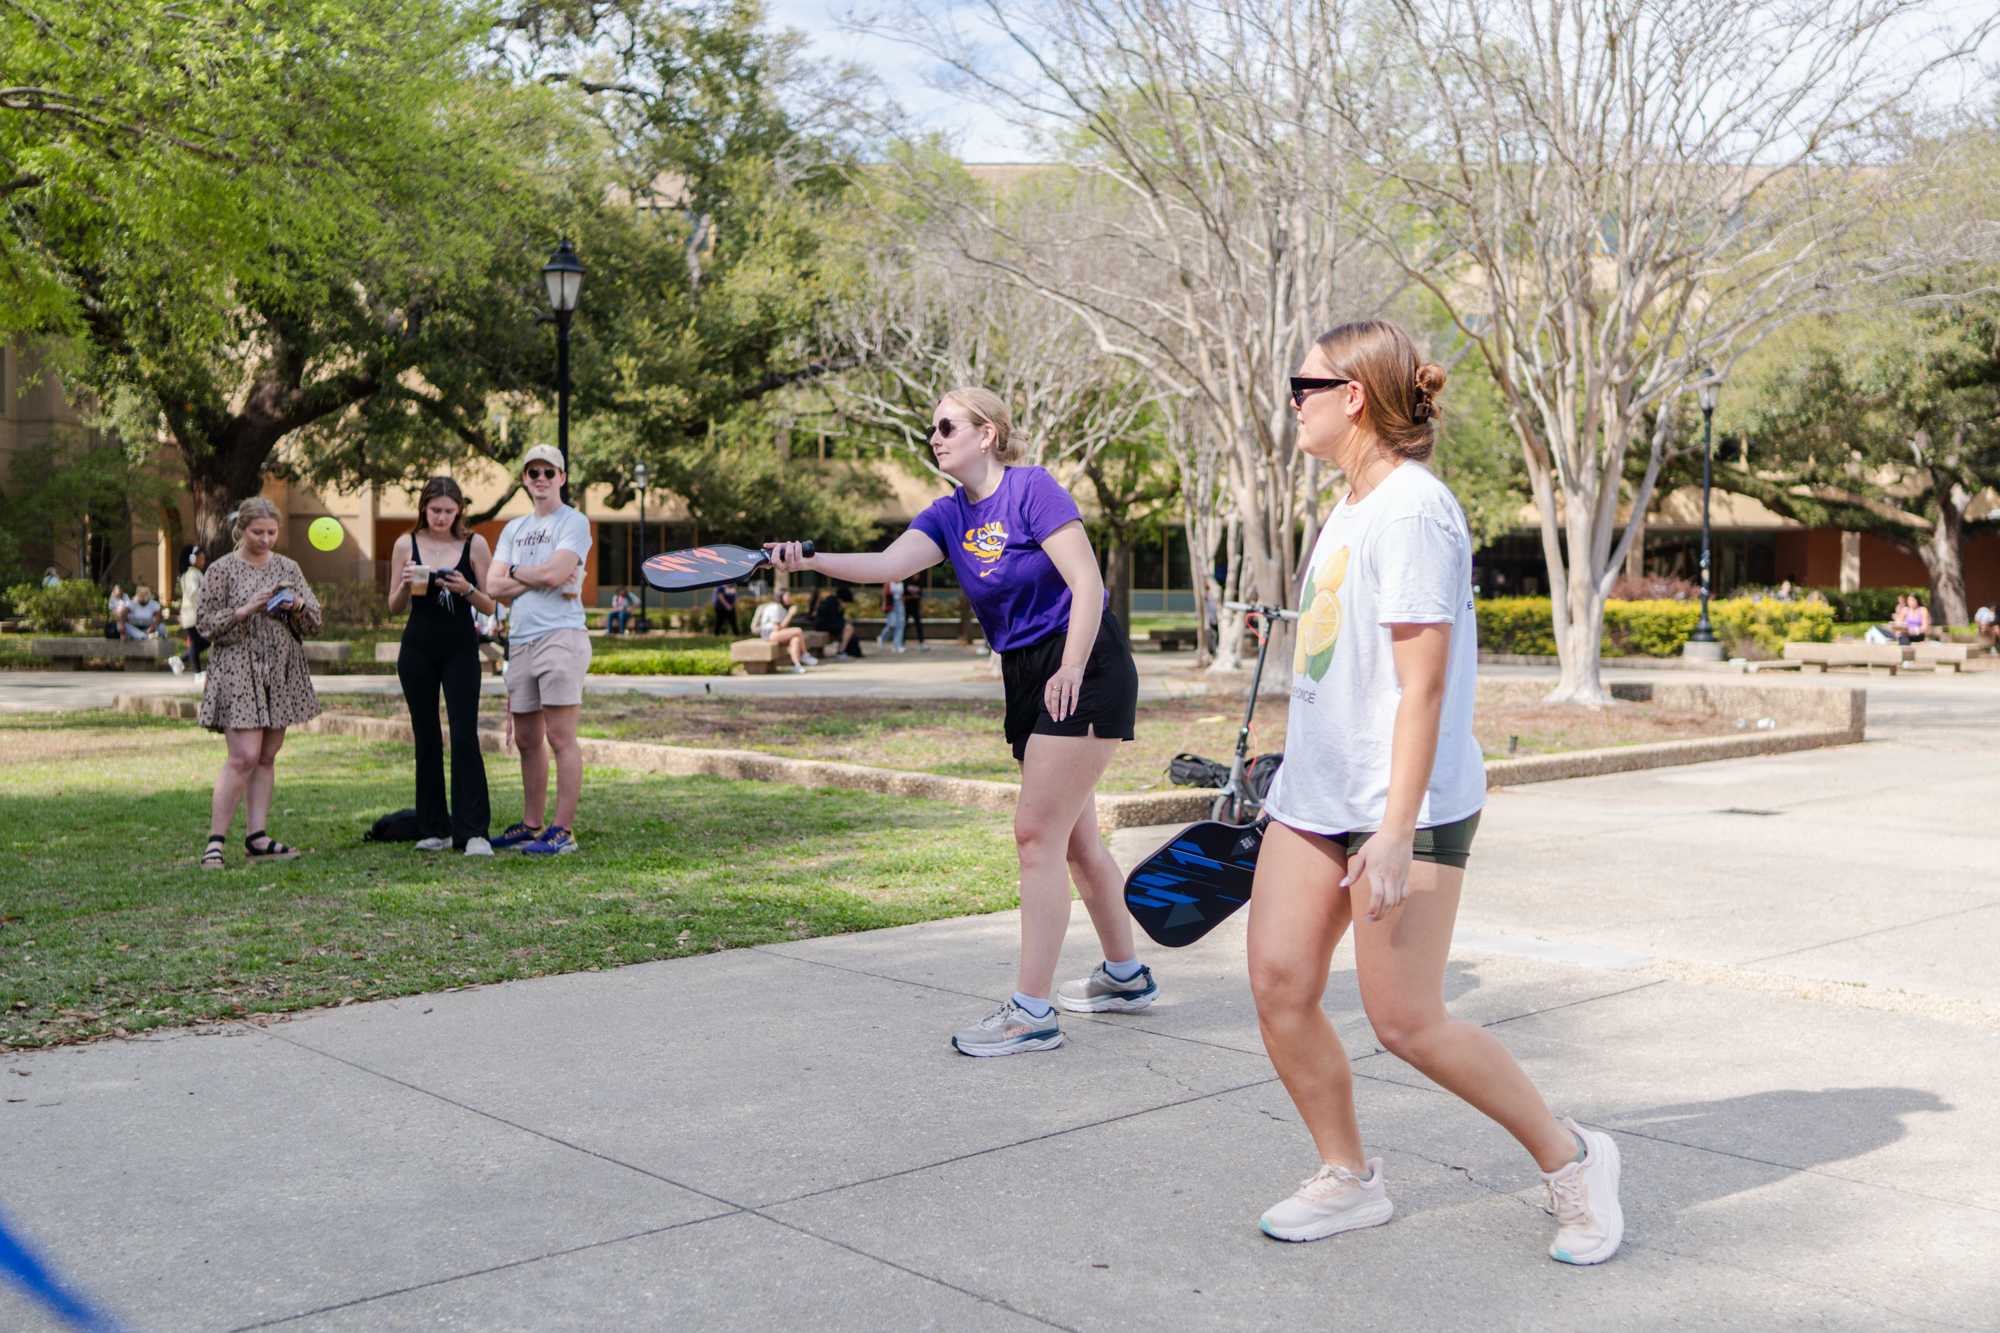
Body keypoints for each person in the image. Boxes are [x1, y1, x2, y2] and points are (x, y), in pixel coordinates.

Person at [1246, 320, 1622, 1264]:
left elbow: (1424, 686)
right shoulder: (1350, 504)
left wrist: (1396, 831)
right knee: (1280, 984)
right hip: (1316, 794)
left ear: (1354, 398)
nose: (1294, 399)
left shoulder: (1413, 508)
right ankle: (1348, 1175)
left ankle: (1573, 1158)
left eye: (1307, 383)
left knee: (1406, 1020)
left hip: (1399, 805)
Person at [767, 385, 1150, 1056]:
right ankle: (1126, 976)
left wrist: (1069, 666)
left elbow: (1088, 584)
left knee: (1036, 834)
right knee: (1075, 841)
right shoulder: (948, 516)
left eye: (948, 425)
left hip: (1083, 663)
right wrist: (809, 557)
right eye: (932, 428)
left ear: (988, 434)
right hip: (1027, 672)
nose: (936, 437)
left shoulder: (1032, 490)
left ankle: (1031, 1012)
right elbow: (887, 564)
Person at [195, 498, 322, 869]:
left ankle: (257, 836)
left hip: (280, 668)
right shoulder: (222, 570)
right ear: (241, 530)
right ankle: (215, 842)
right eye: (257, 532)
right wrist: (246, 609)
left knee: (266, 756)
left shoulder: (288, 567)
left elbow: (314, 622)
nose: (265, 539)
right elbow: (205, 624)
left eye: (271, 532)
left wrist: (296, 605)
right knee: (243, 756)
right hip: (238, 667)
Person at [484, 445, 593, 857]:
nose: (542, 478)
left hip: (561, 636)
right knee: (528, 738)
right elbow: (494, 586)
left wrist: (518, 573)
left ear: (562, 478)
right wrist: (534, 576)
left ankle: (562, 830)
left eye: (550, 471)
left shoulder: (574, 522)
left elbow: (556, 572)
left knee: (560, 736)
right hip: (522, 639)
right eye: (534, 472)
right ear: (525, 480)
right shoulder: (513, 529)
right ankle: (532, 825)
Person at [387, 476, 496, 857]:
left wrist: (464, 588)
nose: (441, 518)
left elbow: (490, 605)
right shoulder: (407, 543)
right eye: (435, 510)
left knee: (465, 736)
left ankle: (474, 832)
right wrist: (404, 584)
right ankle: (436, 827)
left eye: (449, 512)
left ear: (459, 512)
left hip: (460, 650)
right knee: (427, 737)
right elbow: (394, 607)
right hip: (417, 650)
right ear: (424, 507)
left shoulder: (474, 544)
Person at [168, 546, 208, 679]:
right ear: (192, 559)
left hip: (191, 614)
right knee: (199, 642)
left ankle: (179, 660)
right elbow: (194, 593)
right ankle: (197, 673)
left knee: (203, 642)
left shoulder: (192, 573)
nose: (203, 561)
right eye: (201, 558)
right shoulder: (192, 574)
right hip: (192, 614)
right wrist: (204, 606)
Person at [751, 592, 815, 673]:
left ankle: (797, 665)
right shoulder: (775, 608)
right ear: (780, 597)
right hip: (770, 634)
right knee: (798, 631)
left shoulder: (782, 608)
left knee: (795, 639)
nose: (789, 598)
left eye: (789, 596)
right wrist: (790, 614)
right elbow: (778, 628)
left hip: (775, 633)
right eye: (787, 596)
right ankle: (804, 654)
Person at [877, 580, 907, 652]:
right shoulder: (889, 582)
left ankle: (897, 645)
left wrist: (903, 606)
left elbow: (902, 595)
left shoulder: (901, 582)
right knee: (892, 624)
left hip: (900, 604)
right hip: (891, 604)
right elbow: (884, 594)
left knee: (900, 625)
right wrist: (884, 604)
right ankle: (882, 637)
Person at [903, 575, 928, 650]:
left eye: (918, 575)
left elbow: (920, 596)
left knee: (918, 625)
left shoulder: (919, 583)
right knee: (904, 625)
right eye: (916, 574)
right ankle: (901, 642)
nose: (917, 576)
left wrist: (921, 607)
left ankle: (922, 642)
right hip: (907, 607)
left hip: (915, 608)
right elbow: (903, 596)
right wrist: (911, 597)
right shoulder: (906, 582)